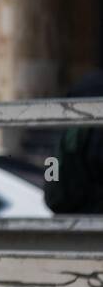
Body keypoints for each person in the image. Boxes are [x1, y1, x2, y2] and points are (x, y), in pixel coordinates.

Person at [45, 69, 103, 214]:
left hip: (68, 216)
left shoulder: (86, 83)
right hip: (90, 216)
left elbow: (52, 169)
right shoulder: (94, 90)